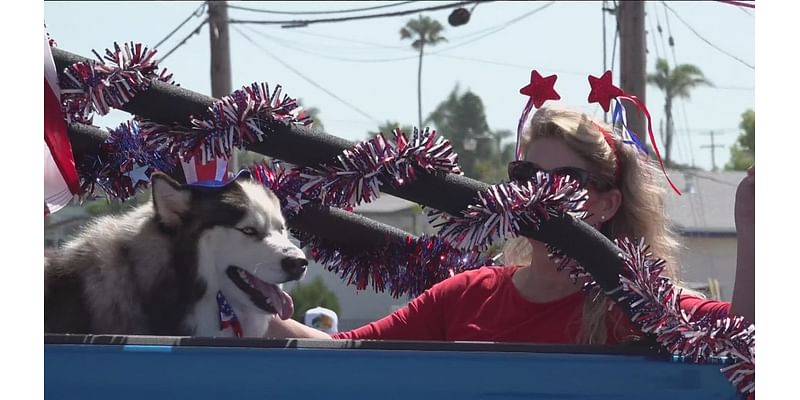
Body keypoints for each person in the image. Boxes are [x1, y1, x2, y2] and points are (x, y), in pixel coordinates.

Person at [266, 106, 755, 343]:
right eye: (527, 175)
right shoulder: (465, 295)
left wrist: (755, 229)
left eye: (564, 178)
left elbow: (746, 344)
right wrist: (249, 307)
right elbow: (342, 353)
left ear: (606, 203)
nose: (539, 192)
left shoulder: (640, 305)